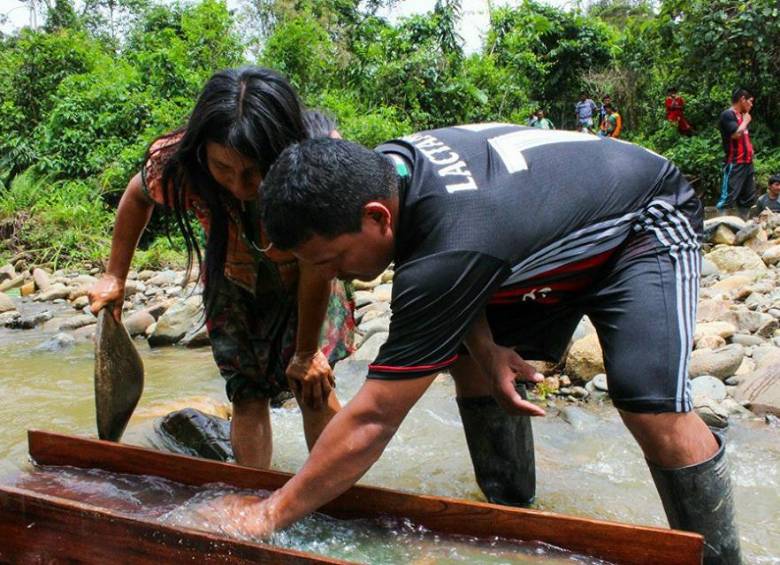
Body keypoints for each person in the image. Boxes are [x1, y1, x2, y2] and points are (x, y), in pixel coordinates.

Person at [223, 124, 742, 564]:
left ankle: (718, 560)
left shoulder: (445, 245)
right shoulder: (381, 174)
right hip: (524, 229)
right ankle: (514, 514)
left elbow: (375, 417)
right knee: (473, 365)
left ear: (378, 218)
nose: (331, 275)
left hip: (642, 219)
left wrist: (268, 513)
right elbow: (447, 257)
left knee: (651, 408)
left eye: (334, 260)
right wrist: (487, 349)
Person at [87, 67, 355, 469]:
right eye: (223, 169)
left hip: (310, 277)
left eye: (252, 171)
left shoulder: (315, 163)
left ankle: (333, 498)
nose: (239, 185)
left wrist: (305, 352)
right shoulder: (179, 161)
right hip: (231, 278)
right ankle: (250, 500)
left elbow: (319, 265)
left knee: (312, 385)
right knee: (246, 393)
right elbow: (136, 195)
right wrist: (115, 278)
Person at [716, 88, 756, 218]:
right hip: (735, 162)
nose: (751, 105)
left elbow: (744, 136)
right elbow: (736, 135)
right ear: (742, 99)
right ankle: (720, 227)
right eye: (750, 101)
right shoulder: (728, 115)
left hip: (748, 163)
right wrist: (745, 121)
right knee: (728, 197)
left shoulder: (742, 116)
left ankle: (743, 226)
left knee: (748, 198)